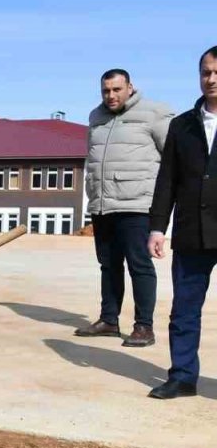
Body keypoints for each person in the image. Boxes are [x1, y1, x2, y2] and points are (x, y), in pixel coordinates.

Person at [78, 69, 174, 348]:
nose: (111, 96)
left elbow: (171, 157)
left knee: (139, 266)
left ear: (130, 87)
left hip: (137, 204)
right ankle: (109, 319)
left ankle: (144, 326)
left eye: (116, 89)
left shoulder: (154, 113)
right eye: (106, 91)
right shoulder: (96, 117)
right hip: (103, 204)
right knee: (108, 265)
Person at [146, 46, 217, 400]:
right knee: (184, 309)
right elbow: (167, 180)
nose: (212, 78)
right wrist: (158, 227)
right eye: (206, 72)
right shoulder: (182, 125)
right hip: (191, 232)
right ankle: (183, 376)